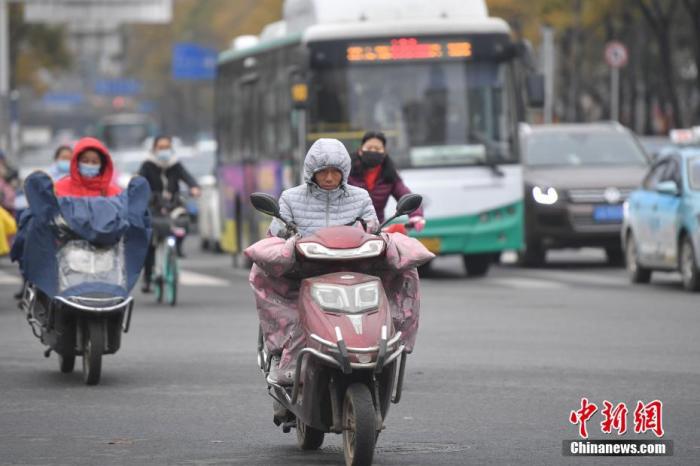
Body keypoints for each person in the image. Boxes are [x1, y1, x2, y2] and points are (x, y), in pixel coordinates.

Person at [262, 138, 378, 384]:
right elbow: (275, 234)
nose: (328, 178)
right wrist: (287, 239)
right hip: (302, 272)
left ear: (344, 172)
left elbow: (373, 231)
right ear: (311, 172)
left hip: (352, 273)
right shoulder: (290, 198)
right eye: (322, 171)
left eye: (334, 172)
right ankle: (277, 352)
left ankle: (388, 344)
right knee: (260, 273)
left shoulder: (360, 198)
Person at [138, 135, 200, 292]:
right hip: (153, 206)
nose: (164, 151)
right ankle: (148, 277)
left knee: (183, 221)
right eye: (161, 147)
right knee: (150, 240)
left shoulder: (175, 164)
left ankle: (177, 248)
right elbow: (139, 181)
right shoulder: (147, 165)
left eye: (167, 147)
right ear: (154, 149)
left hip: (173, 205)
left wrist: (194, 187)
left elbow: (188, 178)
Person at [347, 131, 425, 233]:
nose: (373, 151)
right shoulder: (348, 172)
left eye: (378, 149)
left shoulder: (390, 176)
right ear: (360, 151)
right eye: (369, 148)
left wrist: (416, 216)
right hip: (348, 230)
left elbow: (404, 193)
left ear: (384, 153)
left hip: (377, 231)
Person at [54, 137, 122, 197]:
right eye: (85, 161)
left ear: (102, 165)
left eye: (94, 162)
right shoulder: (59, 189)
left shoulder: (114, 193)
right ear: (76, 162)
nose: (89, 164)